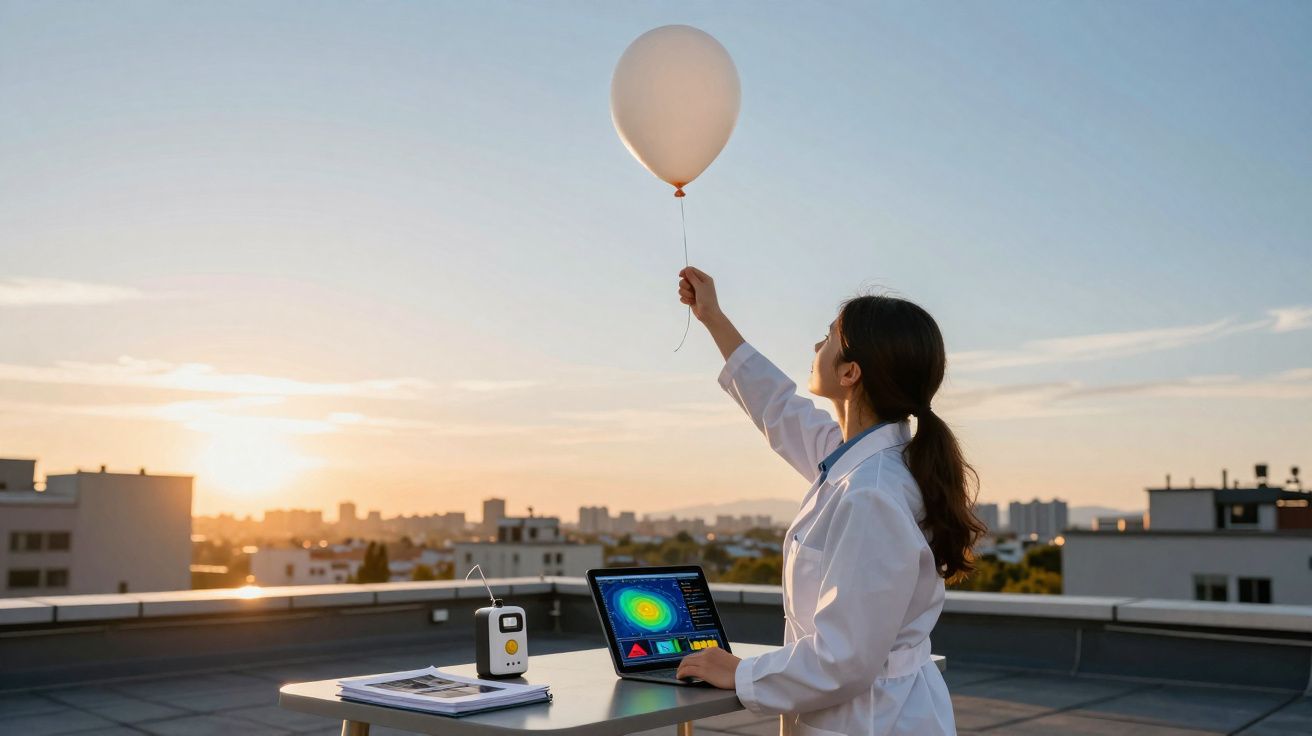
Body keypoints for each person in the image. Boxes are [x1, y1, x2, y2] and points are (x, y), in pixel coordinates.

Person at [673, 266, 982, 736]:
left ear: (850, 372)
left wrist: (739, 672)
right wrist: (713, 317)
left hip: (873, 720)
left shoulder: (872, 492)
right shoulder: (862, 463)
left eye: (827, 338)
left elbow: (845, 657)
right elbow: (778, 409)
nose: (815, 348)